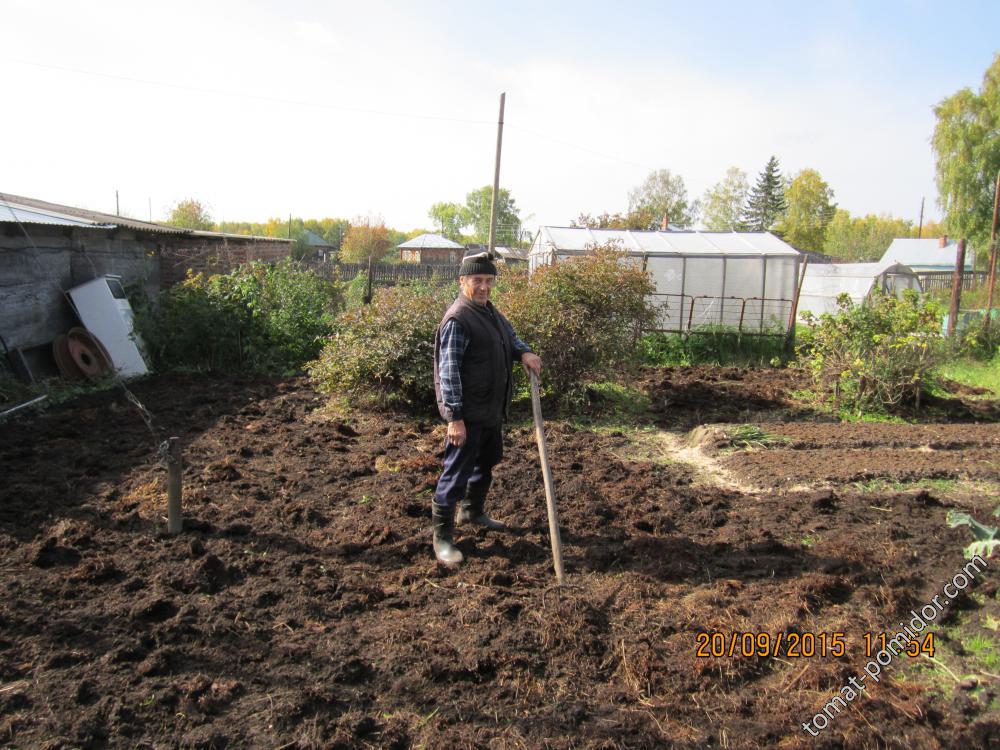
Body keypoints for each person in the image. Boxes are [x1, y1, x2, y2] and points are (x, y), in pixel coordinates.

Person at [430, 252, 542, 565]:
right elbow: (448, 372)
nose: (483, 287)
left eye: (489, 281)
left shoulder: (489, 311)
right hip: (467, 414)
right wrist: (455, 417)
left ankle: (472, 511)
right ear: (462, 281)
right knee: (456, 472)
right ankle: (442, 539)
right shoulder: (458, 318)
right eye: (477, 280)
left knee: (488, 459)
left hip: (490, 408)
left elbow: (510, 337)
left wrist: (525, 353)